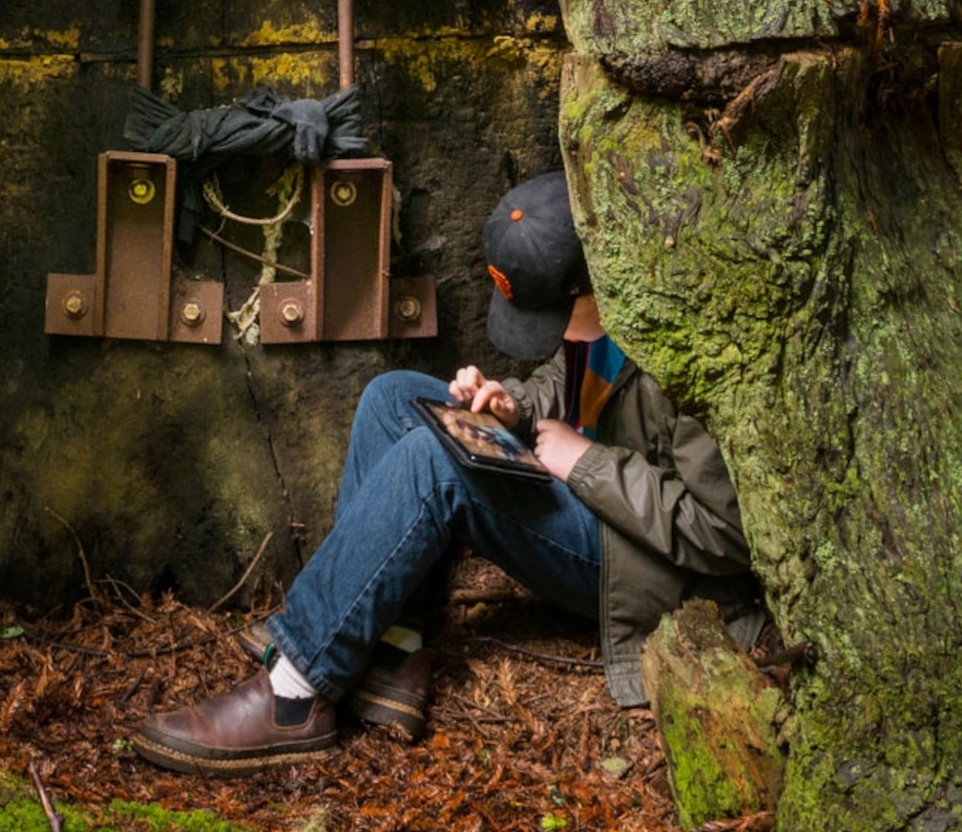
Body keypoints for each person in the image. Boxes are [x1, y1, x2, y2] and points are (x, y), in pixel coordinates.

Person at [132, 172, 759, 774]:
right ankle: (394, 648)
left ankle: (295, 692)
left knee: (435, 466)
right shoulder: (603, 308)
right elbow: (574, 379)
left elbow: (724, 535)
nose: (546, 338)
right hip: (586, 489)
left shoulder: (685, 356)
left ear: (595, 288)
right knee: (393, 397)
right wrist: (511, 407)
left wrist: (583, 461)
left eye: (550, 320)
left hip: (637, 563)